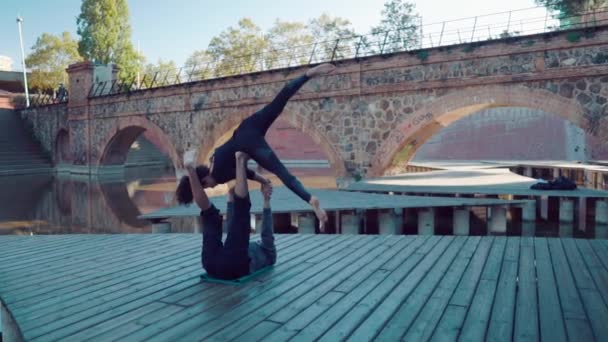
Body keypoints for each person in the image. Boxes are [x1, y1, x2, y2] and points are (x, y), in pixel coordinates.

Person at [176, 63, 337, 229]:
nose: (212, 187)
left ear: (204, 180)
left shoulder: (218, 174)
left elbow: (245, 173)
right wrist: (263, 180)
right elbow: (246, 173)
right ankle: (309, 74)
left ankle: (310, 199)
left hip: (249, 143)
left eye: (208, 186)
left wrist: (263, 180)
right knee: (279, 101)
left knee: (282, 173)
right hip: (248, 126)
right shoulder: (214, 159)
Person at [184, 150, 276, 280]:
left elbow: (266, 232)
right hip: (211, 264)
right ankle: (192, 170)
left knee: (221, 214)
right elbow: (265, 234)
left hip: (230, 266)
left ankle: (191, 170)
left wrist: (266, 201)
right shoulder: (269, 254)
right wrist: (265, 200)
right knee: (215, 216)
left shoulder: (269, 254)